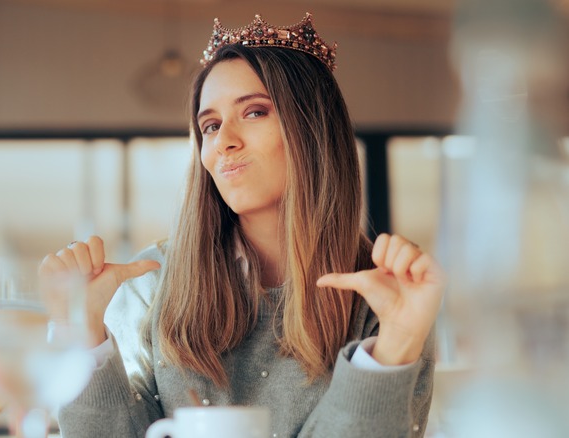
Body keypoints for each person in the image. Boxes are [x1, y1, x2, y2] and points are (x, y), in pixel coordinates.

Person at [44, 12, 445, 438]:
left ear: (312, 128)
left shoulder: (388, 295)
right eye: (210, 126)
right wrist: (84, 335)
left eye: (254, 112)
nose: (224, 142)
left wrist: (395, 346)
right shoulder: (151, 283)